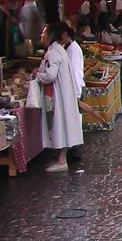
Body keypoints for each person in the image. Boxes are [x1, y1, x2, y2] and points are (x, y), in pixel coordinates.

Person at [35, 23, 84, 172]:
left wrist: (37, 75)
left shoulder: (55, 52)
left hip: (61, 95)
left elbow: (51, 75)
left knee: (61, 125)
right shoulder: (57, 50)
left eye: (44, 33)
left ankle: (62, 160)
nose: (41, 36)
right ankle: (60, 159)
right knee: (62, 124)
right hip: (63, 93)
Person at [62, 26, 85, 162]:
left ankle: (75, 150)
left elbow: (76, 72)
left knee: (75, 119)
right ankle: (74, 149)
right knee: (74, 119)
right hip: (73, 89)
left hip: (75, 89)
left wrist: (76, 93)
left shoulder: (74, 49)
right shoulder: (70, 48)